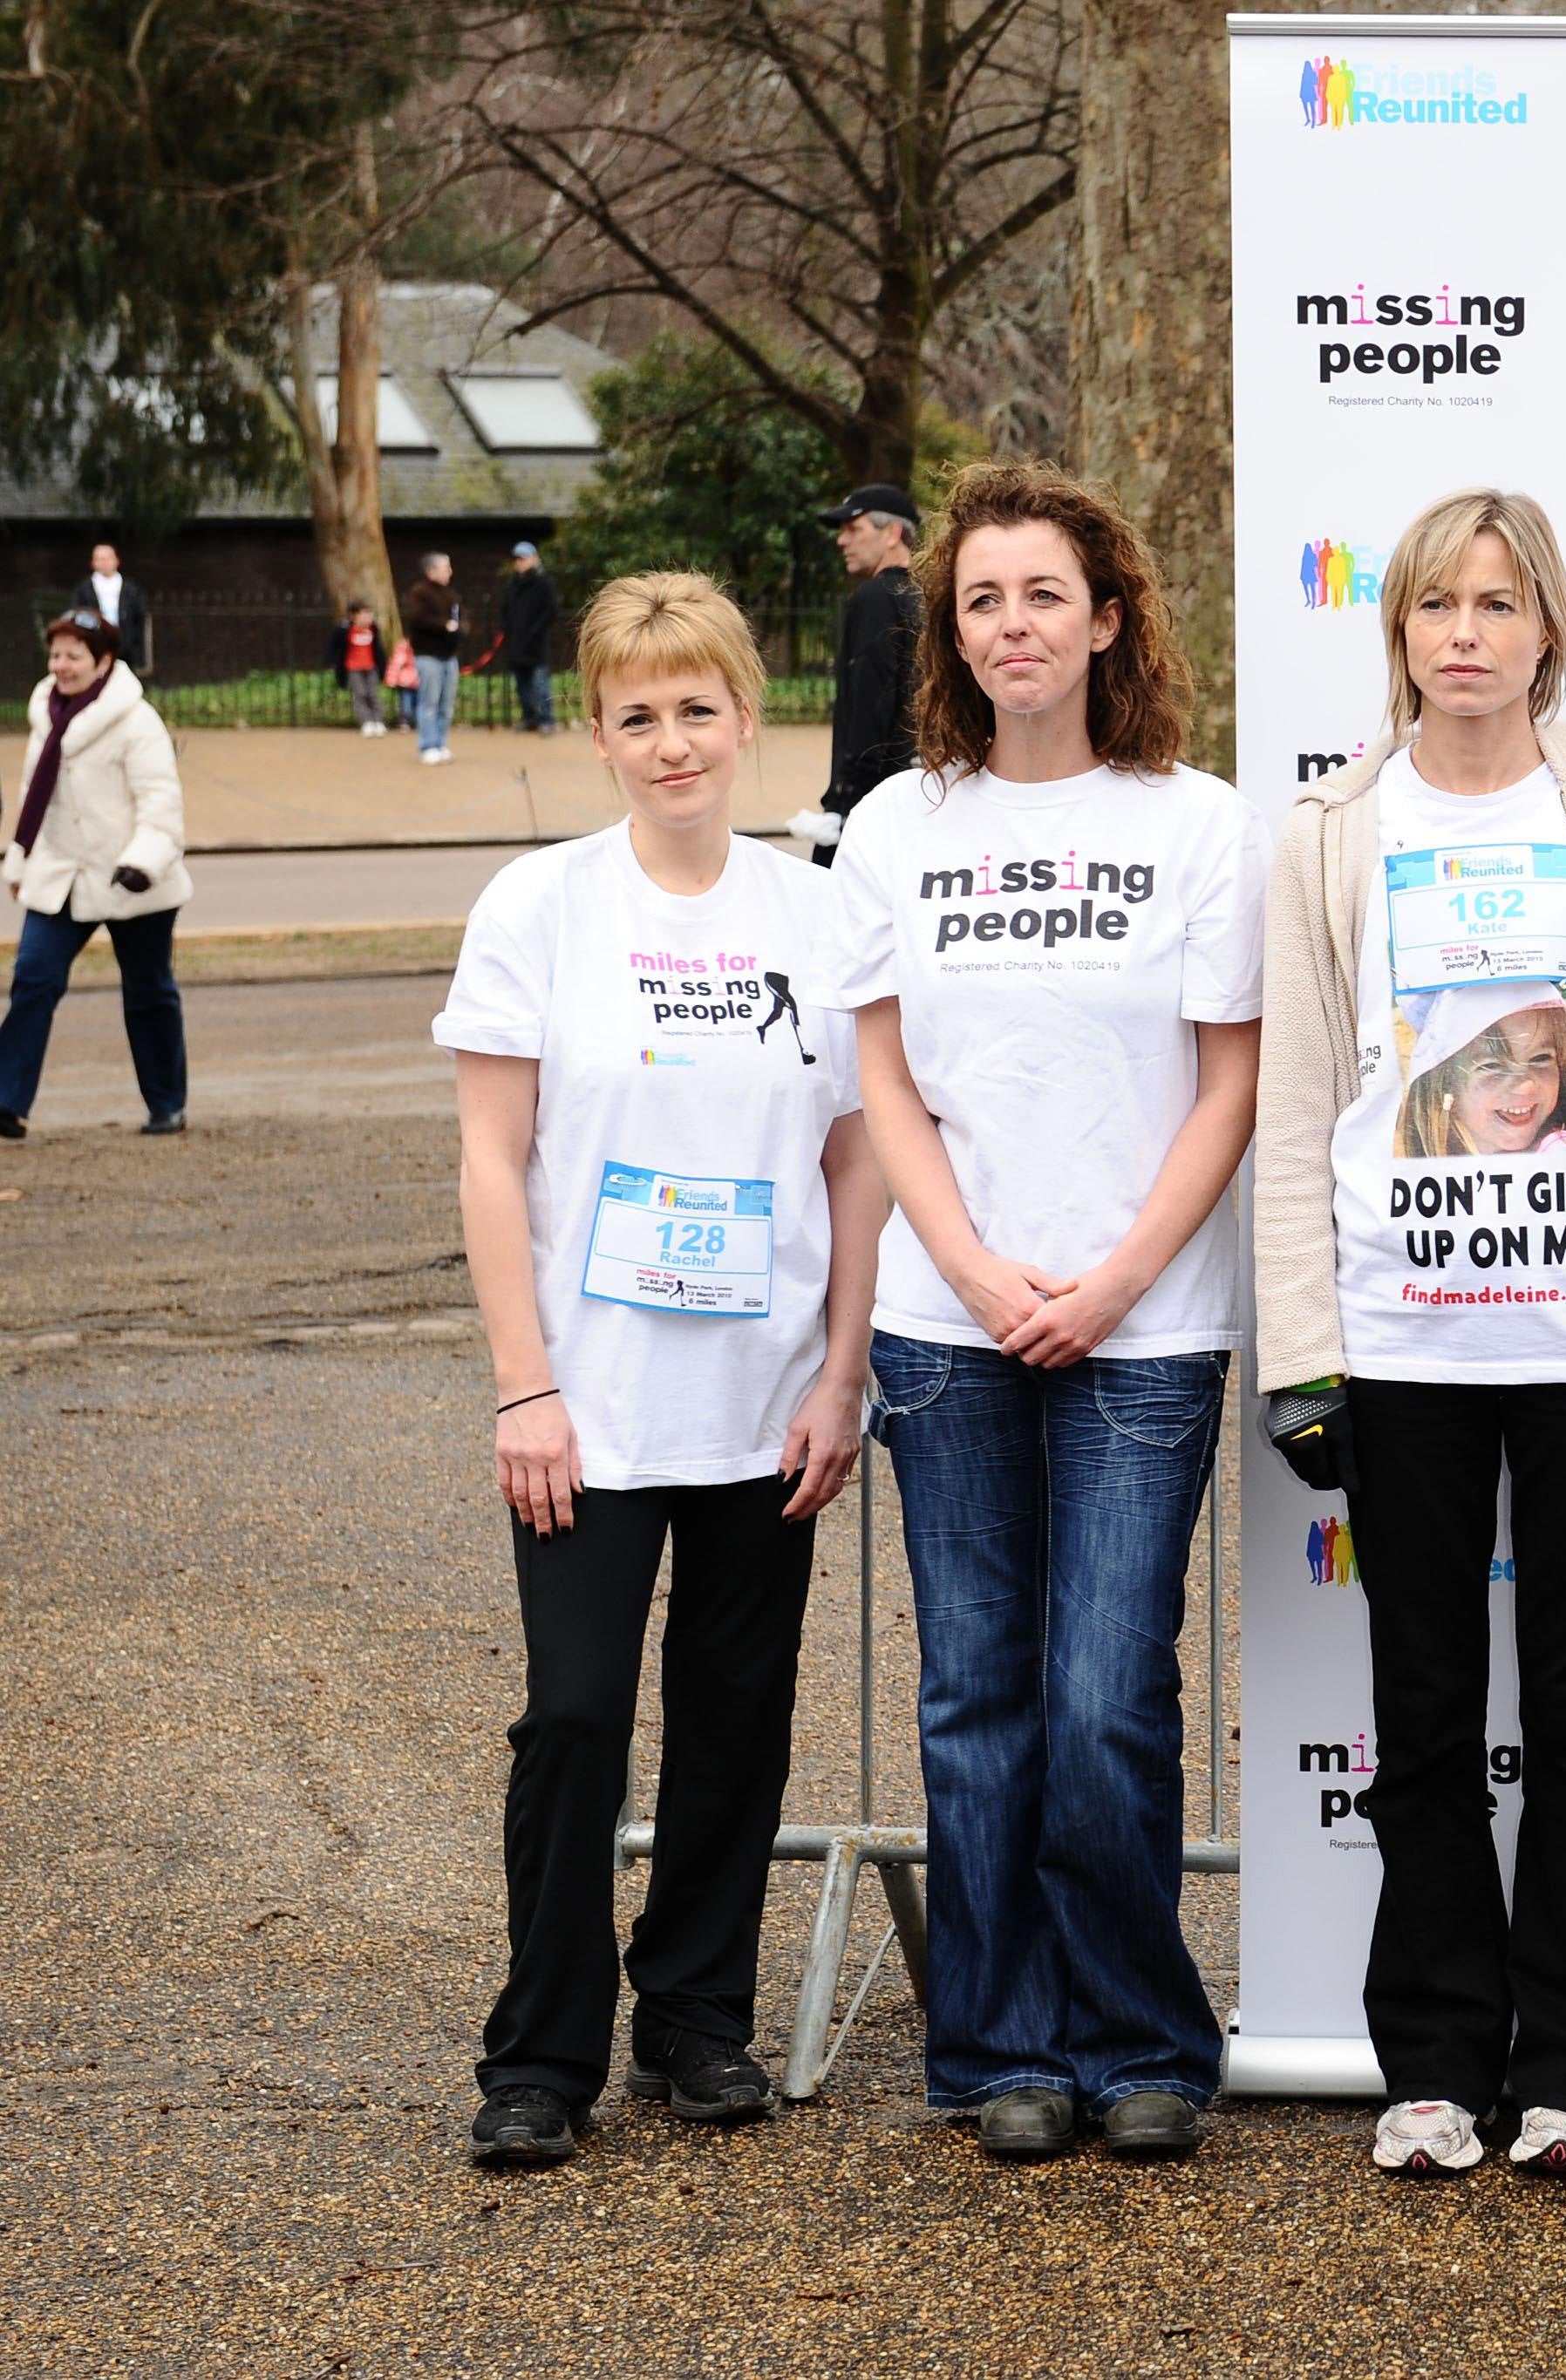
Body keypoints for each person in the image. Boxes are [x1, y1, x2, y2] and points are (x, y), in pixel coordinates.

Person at [1255, 488, 1566, 2180]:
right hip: (1400, 1355)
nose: (1464, 633)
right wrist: (1303, 1352)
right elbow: (1301, 1104)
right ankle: (1436, 2063)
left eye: (1497, 601)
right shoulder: (1331, 833)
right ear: (1394, 633)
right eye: (1433, 606)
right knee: (1423, 1716)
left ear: (1549, 626)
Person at [818, 459, 1267, 2165]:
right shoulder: (894, 827)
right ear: (953, 626)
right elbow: (883, 1080)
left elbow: (1227, 1084)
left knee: (1102, 1697)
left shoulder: (1195, 823)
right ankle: (997, 2044)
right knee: (974, 1699)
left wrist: (1121, 1275)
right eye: (982, 598)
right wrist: (982, 1271)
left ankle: (1140, 2036)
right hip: (952, 1326)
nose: (1013, 624)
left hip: (1141, 1332)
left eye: (1042, 595)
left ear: (1105, 620)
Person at [435, 572, 884, 2169]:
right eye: (640, 714)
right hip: (591, 1408)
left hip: (764, 1398)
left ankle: (692, 2017)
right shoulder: (537, 908)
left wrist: (842, 1379)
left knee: (735, 1719)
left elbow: (854, 1164)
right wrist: (521, 1383)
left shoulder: (817, 918)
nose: (674, 740)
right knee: (571, 1720)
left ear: (748, 719)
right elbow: (495, 1161)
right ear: (600, 732)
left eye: (700, 709)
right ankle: (538, 2053)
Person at [0, 609, 190, 1139]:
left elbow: (160, 802)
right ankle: (5, 1100)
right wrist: (21, 859)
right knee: (34, 979)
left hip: (132, 877)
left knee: (148, 991)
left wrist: (143, 861)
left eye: (73, 656)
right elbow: (33, 796)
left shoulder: (136, 721)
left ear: (104, 661)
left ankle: (166, 1103)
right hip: (61, 873)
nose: (61, 665)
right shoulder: (45, 710)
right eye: (55, 654)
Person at [810, 484, 925, 868]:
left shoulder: (876, 597)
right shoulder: (927, 597)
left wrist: (843, 801)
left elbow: (869, 703)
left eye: (853, 529)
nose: (843, 541)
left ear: (892, 534)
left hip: (868, 800)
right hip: (914, 791)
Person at [405, 553, 466, 765]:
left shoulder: (451, 595)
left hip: (449, 656)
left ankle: (441, 743)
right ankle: (428, 745)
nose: (450, 571)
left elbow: (460, 617)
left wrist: (461, 628)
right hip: (428, 656)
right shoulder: (419, 593)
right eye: (445, 567)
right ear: (431, 571)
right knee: (429, 702)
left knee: (446, 704)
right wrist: (444, 625)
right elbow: (417, 618)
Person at [496, 541, 562, 734]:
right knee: (522, 685)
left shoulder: (544, 582)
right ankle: (529, 717)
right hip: (516, 643)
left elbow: (551, 610)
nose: (520, 563)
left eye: (523, 558)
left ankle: (547, 718)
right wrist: (506, 629)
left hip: (535, 644)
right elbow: (505, 610)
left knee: (540, 684)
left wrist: (535, 631)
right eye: (517, 559)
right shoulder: (513, 585)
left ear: (534, 559)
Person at [71, 543, 146, 677]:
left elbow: (139, 618)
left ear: (117, 561)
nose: (104, 563)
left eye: (107, 558)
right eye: (99, 559)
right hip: (95, 644)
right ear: (93, 563)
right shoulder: (84, 590)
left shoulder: (131, 589)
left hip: (125, 646)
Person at [327, 600, 391, 737]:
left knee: (373, 694)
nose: (368, 618)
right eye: (365, 615)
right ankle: (366, 722)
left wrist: (383, 667)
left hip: (371, 667)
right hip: (353, 668)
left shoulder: (373, 630)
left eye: (370, 614)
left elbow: (378, 651)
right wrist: (333, 662)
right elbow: (334, 647)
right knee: (360, 695)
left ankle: (378, 721)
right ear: (354, 616)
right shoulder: (344, 630)